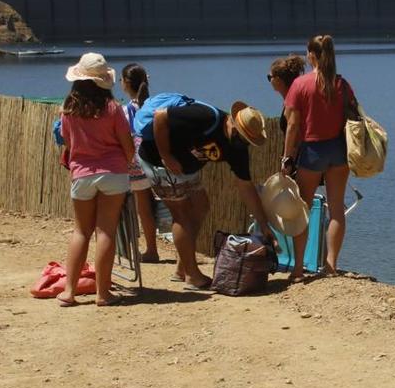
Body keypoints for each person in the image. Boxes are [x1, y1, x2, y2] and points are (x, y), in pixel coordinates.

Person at [137, 97, 273, 290]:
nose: (240, 142)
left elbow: (246, 187)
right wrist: (166, 156)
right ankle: (192, 276)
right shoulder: (206, 117)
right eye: (238, 135)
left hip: (187, 168)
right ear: (231, 122)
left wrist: (263, 224)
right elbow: (160, 117)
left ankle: (182, 267)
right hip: (159, 160)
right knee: (181, 215)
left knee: (201, 206)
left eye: (246, 140)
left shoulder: (238, 149)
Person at [56, 53, 134, 307]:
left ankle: (69, 291)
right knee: (105, 231)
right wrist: (127, 160)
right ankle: (103, 292)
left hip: (82, 173)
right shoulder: (112, 108)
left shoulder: (68, 110)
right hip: (113, 172)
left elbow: (68, 143)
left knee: (81, 231)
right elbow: (127, 144)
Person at [282, 34, 355, 280]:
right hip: (338, 150)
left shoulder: (300, 85)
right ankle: (331, 265)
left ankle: (299, 268)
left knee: (302, 209)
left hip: (312, 151)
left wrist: (287, 157)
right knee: (336, 209)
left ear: (311, 55)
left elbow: (292, 126)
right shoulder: (342, 84)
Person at [120, 63, 160, 263]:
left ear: (126, 83)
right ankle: (153, 248)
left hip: (135, 163)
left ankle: (145, 249)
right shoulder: (153, 104)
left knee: (141, 207)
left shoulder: (125, 111)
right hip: (155, 160)